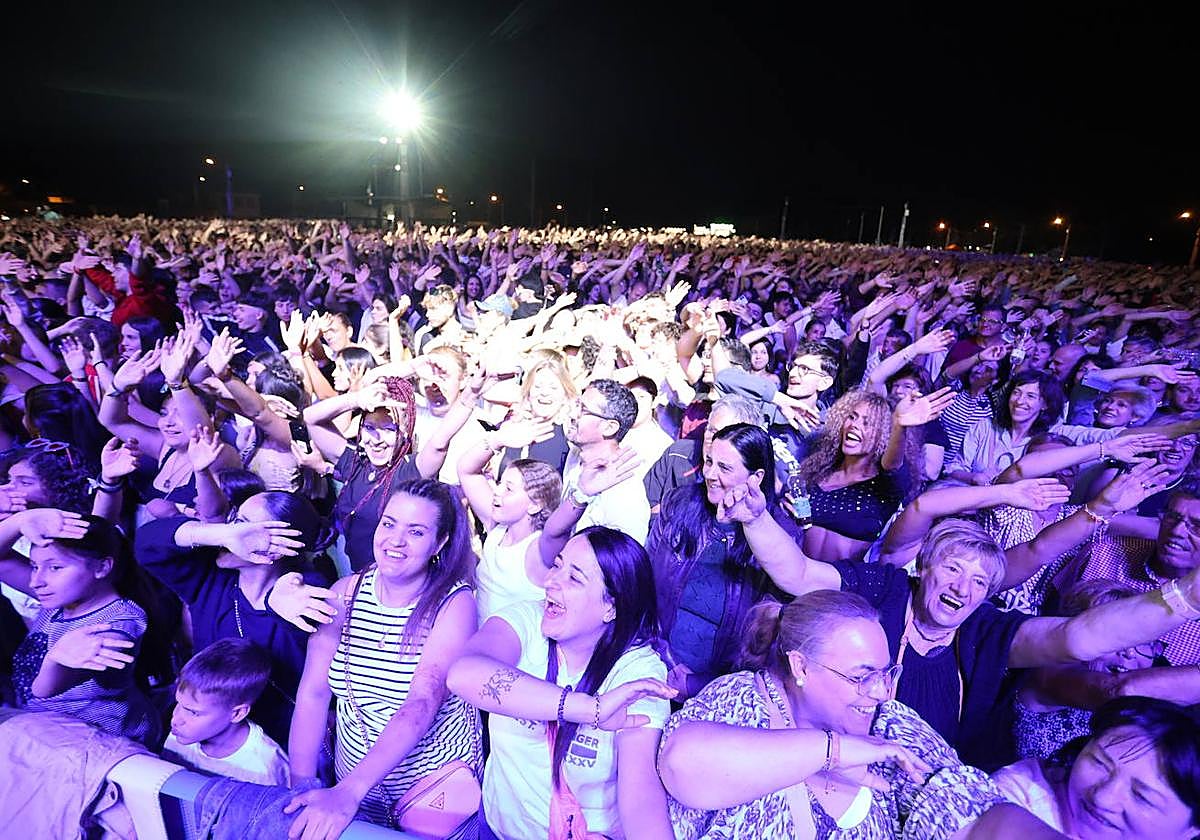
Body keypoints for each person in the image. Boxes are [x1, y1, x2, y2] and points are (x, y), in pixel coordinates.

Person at [658, 591, 1029, 839]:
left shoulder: (889, 722)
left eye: (886, 673)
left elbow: (962, 804)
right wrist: (833, 750)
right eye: (861, 676)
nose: (881, 692)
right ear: (801, 667)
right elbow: (682, 764)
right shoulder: (744, 699)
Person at [446, 526, 676, 840]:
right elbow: (462, 674)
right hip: (498, 830)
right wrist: (589, 709)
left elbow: (640, 795)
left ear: (611, 607)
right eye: (557, 565)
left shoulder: (637, 672)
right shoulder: (525, 622)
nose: (551, 581)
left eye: (574, 578)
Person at [287, 480, 482, 836]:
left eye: (416, 532)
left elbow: (422, 702)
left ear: (439, 543)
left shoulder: (454, 603)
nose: (396, 540)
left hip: (429, 797)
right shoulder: (344, 594)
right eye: (389, 524)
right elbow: (314, 693)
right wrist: (300, 785)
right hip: (355, 793)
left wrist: (350, 790)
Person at [134, 490, 330, 747]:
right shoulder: (209, 579)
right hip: (208, 734)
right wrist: (218, 534)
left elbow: (309, 636)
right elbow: (146, 545)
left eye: (242, 524)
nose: (232, 531)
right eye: (233, 520)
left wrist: (275, 606)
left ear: (277, 547)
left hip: (281, 743)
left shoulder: (302, 592)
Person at [648, 423, 801, 700]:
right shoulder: (680, 504)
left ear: (756, 477)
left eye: (724, 468)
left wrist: (702, 685)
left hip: (722, 689)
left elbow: (765, 641)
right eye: (709, 462)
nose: (710, 474)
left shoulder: (781, 538)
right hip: (652, 662)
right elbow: (643, 581)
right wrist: (655, 658)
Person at [1, 510, 161, 746]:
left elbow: (44, 690)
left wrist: (54, 659)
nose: (36, 581)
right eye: (34, 567)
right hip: (50, 730)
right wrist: (20, 521)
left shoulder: (117, 623)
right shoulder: (63, 597)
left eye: (55, 568)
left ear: (102, 567)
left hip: (103, 744)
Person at [994, 696, 1200, 839]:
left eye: (1142, 796)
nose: (1102, 798)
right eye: (1100, 762)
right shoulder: (1020, 796)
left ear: (1192, 829)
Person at [789, 387, 950, 563]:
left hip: (838, 579)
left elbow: (893, 465)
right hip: (792, 571)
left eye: (867, 423)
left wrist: (899, 426)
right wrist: (792, 513)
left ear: (884, 435)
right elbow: (802, 522)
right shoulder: (818, 470)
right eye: (852, 417)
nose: (855, 425)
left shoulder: (886, 485)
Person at [457, 423, 563, 620]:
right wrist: (497, 440)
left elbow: (561, 528)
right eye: (499, 483)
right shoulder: (497, 528)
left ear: (535, 504)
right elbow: (466, 470)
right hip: (477, 636)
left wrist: (580, 498)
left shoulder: (541, 547)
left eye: (509, 489)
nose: (497, 491)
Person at [163, 637, 291, 785]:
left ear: (237, 713)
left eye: (193, 712)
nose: (175, 719)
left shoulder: (265, 768)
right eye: (178, 703)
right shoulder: (180, 733)